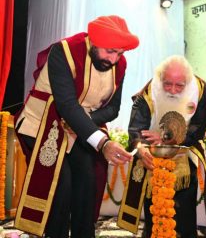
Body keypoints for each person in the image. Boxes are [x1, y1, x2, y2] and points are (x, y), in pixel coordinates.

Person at [13, 15, 138, 238]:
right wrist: (102, 143)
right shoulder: (65, 52)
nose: (114, 59)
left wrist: (85, 121)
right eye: (109, 51)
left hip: (79, 129)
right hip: (42, 125)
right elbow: (67, 105)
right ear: (94, 41)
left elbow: (113, 109)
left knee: (87, 182)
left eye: (119, 53)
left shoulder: (120, 64)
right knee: (61, 185)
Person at [117, 55, 206, 238]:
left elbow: (198, 127)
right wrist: (140, 147)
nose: (173, 90)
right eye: (168, 84)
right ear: (160, 78)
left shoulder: (198, 88)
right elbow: (136, 129)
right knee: (155, 217)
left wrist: (167, 136)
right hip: (152, 161)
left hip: (184, 160)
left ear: (188, 81)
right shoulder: (149, 91)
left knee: (184, 218)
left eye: (179, 86)